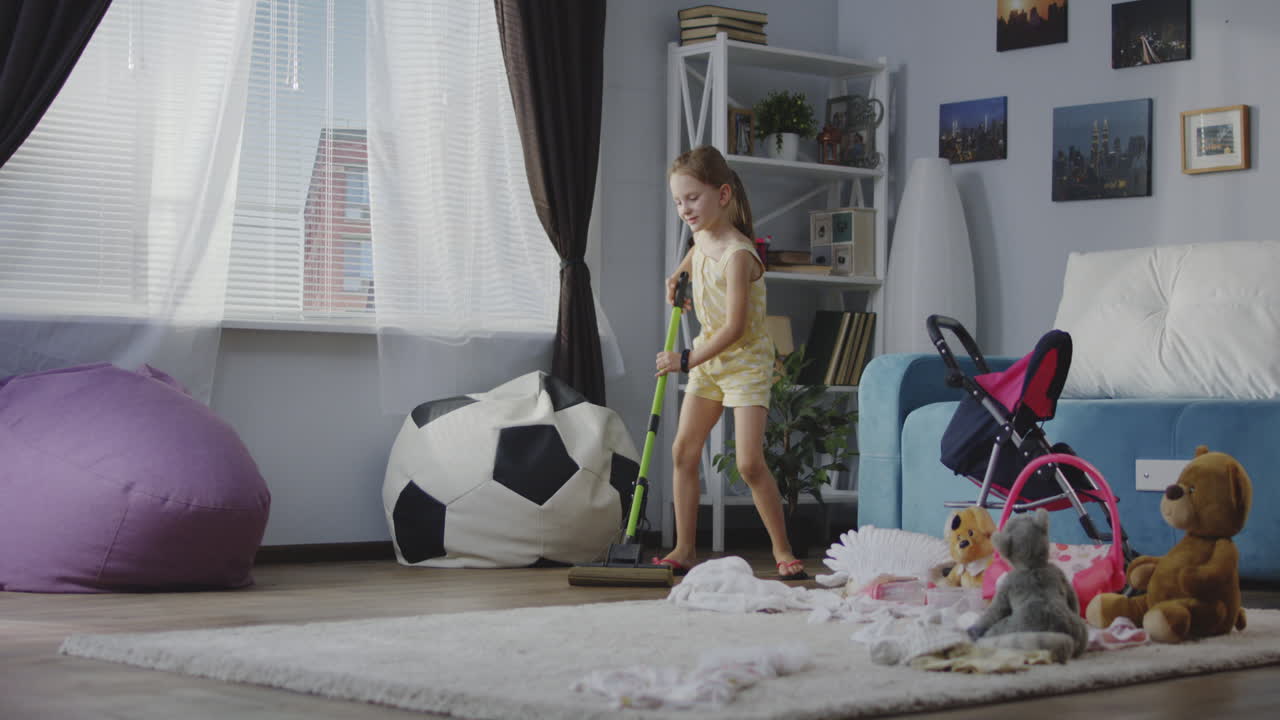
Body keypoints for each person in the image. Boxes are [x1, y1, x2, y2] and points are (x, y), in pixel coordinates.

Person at [654, 145, 806, 580]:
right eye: (679, 201)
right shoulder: (701, 236)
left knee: (748, 463)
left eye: (693, 199)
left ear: (722, 195)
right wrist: (678, 277)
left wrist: (685, 358)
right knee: (683, 451)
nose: (685, 209)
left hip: (744, 364)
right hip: (710, 361)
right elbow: (692, 260)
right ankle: (684, 548)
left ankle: (781, 549)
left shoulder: (740, 254)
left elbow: (736, 327)